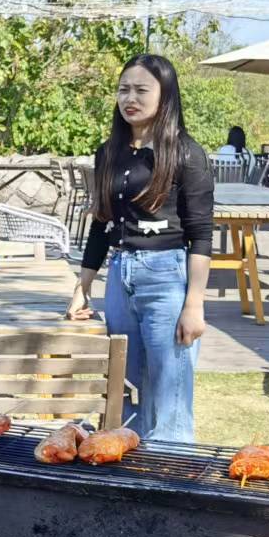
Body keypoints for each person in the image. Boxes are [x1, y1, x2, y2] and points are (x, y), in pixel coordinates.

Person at [67, 55, 214, 443]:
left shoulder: (186, 154)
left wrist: (194, 305)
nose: (129, 99)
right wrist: (83, 286)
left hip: (167, 275)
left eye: (141, 90)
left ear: (165, 95)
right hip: (120, 274)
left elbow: (201, 233)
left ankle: (172, 467)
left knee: (169, 389)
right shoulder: (109, 152)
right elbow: (101, 223)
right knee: (126, 384)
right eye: (123, 90)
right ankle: (128, 466)